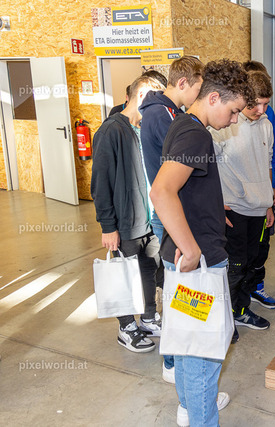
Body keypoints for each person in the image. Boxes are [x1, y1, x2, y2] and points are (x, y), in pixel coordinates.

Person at [150, 59, 253, 427]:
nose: (235, 119)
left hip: (187, 255)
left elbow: (184, 188)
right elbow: (161, 191)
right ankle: (201, 417)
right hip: (198, 262)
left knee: (188, 344)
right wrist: (192, 248)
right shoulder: (196, 135)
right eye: (234, 110)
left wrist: (208, 207)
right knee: (202, 355)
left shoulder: (182, 123)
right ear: (213, 98)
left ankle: (190, 406)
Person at [138, 55, 204, 385]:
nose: (199, 97)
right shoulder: (163, 115)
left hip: (173, 210)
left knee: (181, 290)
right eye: (198, 90)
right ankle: (172, 362)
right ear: (182, 83)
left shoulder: (168, 112)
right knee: (179, 291)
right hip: (170, 213)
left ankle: (179, 357)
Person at [91, 74, 165, 353]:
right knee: (125, 275)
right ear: (142, 95)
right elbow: (100, 183)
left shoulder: (144, 129)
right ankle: (126, 327)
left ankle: (148, 317)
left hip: (149, 219)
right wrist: (108, 226)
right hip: (124, 222)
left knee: (149, 270)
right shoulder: (111, 130)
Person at [210, 70, 275, 337]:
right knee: (234, 267)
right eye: (255, 104)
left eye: (266, 104)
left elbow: (267, 163)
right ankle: (224, 318)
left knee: (250, 264)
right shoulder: (224, 125)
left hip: (259, 209)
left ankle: (240, 310)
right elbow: (206, 169)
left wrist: (269, 203)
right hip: (233, 209)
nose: (261, 110)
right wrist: (215, 205)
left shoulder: (266, 125)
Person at [242, 60, 275, 310]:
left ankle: (256, 287)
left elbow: (271, 155)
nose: (261, 109)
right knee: (241, 253)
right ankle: (239, 299)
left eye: (265, 103)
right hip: (239, 201)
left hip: (264, 193)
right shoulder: (231, 121)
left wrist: (273, 187)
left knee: (261, 245)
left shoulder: (266, 117)